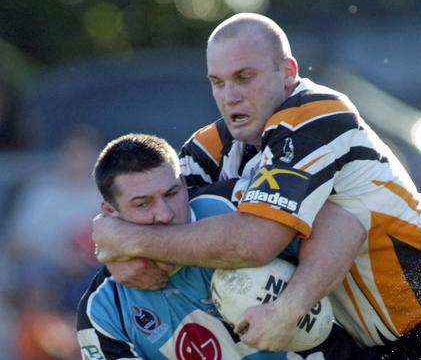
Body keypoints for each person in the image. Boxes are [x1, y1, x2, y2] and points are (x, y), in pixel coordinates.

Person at [93, 13, 421, 359]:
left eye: (245, 77)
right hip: (372, 346)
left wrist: (122, 239)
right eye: (218, 83)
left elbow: (255, 243)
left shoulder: (316, 114)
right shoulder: (213, 144)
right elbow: (163, 220)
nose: (230, 96)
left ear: (288, 72)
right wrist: (115, 248)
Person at [79, 133, 367, 359]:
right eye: (143, 204)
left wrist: (290, 309)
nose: (165, 214)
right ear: (109, 211)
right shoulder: (103, 309)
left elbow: (344, 221)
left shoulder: (234, 205)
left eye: (172, 193)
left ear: (182, 182)